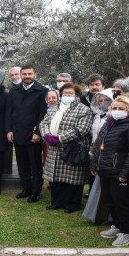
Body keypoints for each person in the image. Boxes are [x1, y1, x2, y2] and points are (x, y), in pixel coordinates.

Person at [90, 95, 129, 246]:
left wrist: (125, 173)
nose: (117, 111)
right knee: (110, 201)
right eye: (115, 108)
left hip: (120, 173)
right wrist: (94, 164)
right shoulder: (109, 123)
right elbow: (99, 144)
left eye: (121, 108)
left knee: (122, 203)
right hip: (105, 170)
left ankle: (127, 233)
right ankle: (118, 226)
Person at [40, 83, 93, 213]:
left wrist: (59, 138)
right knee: (56, 178)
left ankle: (72, 204)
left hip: (72, 149)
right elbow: (43, 123)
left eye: (70, 93)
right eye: (64, 93)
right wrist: (46, 135)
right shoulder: (53, 109)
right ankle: (57, 201)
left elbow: (82, 129)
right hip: (54, 148)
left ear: (77, 95)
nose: (67, 95)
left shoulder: (84, 109)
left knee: (72, 179)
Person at [6, 65, 48, 203]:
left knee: (34, 165)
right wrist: (9, 130)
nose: (27, 76)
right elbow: (9, 112)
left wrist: (38, 132)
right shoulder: (14, 91)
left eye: (30, 74)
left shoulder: (42, 91)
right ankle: (26, 188)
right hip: (17, 132)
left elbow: (43, 114)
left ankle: (36, 191)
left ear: (35, 74)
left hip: (33, 134)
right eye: (24, 74)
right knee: (22, 163)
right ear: (21, 75)